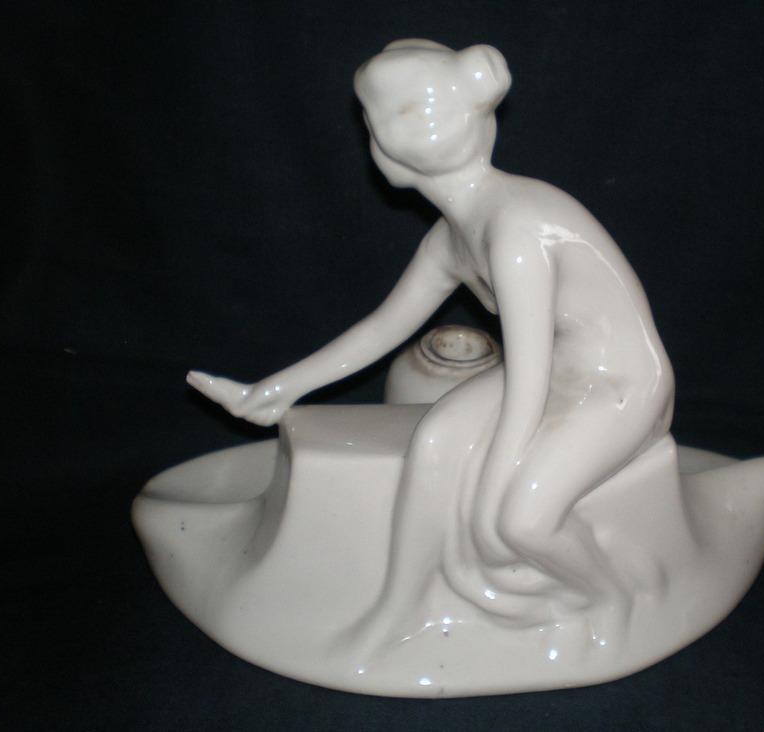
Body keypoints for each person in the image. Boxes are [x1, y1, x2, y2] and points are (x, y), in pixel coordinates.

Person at [189, 39, 674, 663]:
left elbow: (528, 376)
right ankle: (399, 611)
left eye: (372, 122)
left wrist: (497, 483)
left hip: (622, 382)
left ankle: (613, 597)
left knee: (519, 520)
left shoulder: (514, 230)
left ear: (388, 144)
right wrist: (277, 390)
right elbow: (382, 329)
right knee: (437, 439)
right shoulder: (454, 236)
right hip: (562, 369)